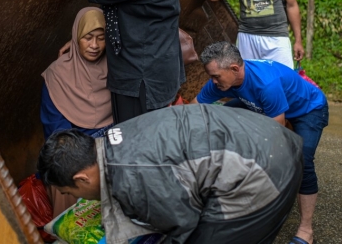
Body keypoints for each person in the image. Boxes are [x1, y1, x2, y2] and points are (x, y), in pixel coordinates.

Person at [37, 104, 303, 244]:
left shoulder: (131, 179)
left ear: (82, 179)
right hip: (269, 136)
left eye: (68, 192)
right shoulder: (111, 139)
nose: (75, 198)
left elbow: (183, 223)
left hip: (264, 172)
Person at [191, 41, 328, 244]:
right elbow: (194, 109)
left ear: (234, 69)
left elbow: (274, 134)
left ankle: (306, 230)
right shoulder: (221, 81)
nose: (212, 81)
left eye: (215, 76)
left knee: (302, 161)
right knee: (220, 118)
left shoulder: (265, 83)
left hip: (308, 109)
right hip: (265, 105)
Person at [41, 6, 113, 140]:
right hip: (81, 146)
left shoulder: (114, 64)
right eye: (88, 37)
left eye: (101, 38)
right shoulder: (57, 75)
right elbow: (58, 132)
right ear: (76, 37)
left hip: (118, 132)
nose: (94, 45)